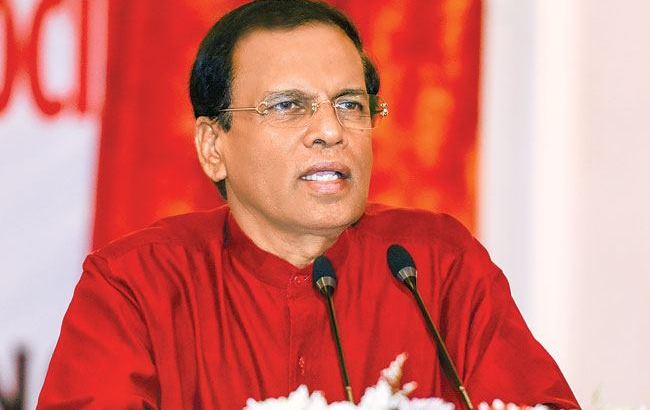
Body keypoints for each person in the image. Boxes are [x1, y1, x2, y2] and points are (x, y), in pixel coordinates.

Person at [38, 1, 580, 409]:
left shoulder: (433, 267)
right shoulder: (137, 284)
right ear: (213, 145)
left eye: (350, 104)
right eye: (288, 106)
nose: (329, 130)